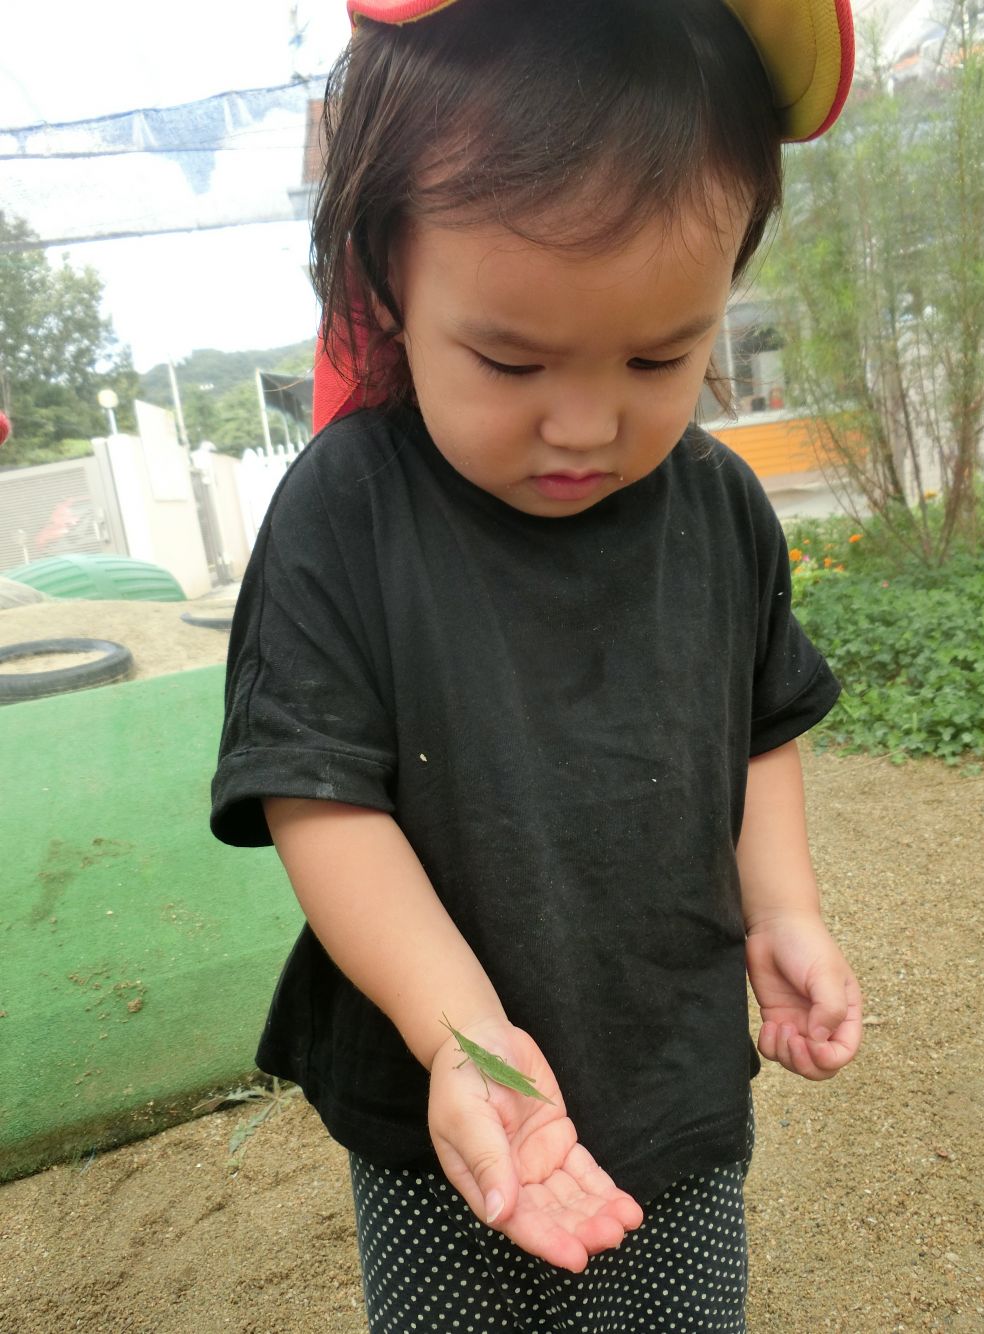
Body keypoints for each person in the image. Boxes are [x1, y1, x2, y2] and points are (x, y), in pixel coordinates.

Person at [211, 0, 863, 1328]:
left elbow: (758, 725)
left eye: (658, 355)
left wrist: (783, 908)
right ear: (390, 270)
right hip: (450, 1108)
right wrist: (466, 1040)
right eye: (509, 357)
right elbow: (320, 796)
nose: (584, 421)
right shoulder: (346, 513)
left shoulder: (720, 511)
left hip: (673, 1078)